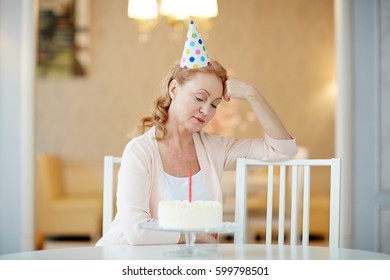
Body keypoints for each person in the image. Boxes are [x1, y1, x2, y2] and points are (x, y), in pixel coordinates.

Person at [96, 20, 297, 246]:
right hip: (130, 260)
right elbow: (136, 232)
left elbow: (283, 149)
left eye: (214, 104)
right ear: (174, 89)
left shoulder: (214, 149)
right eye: (200, 98)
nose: (206, 111)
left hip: (190, 261)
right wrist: (195, 237)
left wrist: (252, 94)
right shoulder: (140, 151)